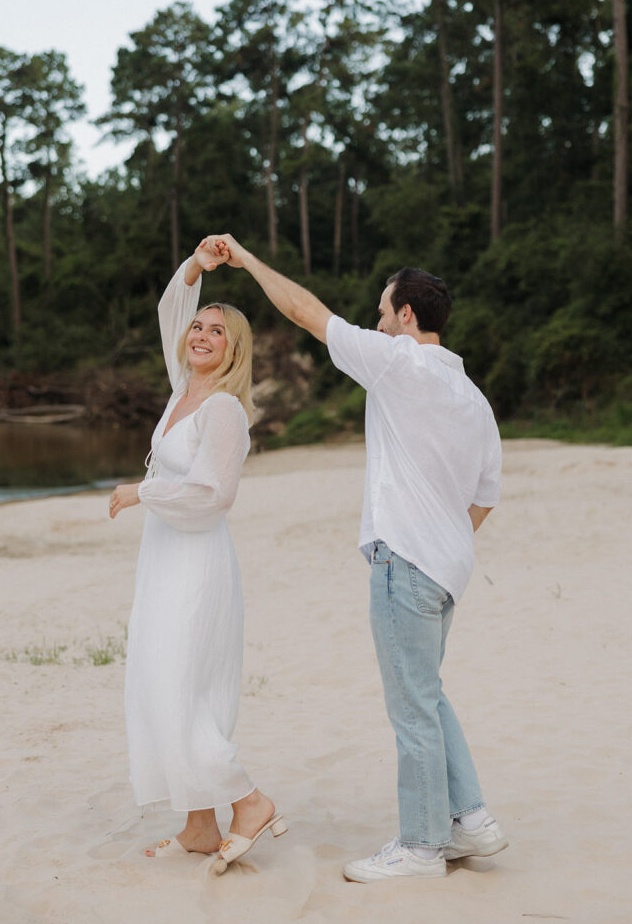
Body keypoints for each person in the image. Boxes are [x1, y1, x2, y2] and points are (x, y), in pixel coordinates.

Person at [203, 232, 507, 884]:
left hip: (406, 562)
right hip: (449, 564)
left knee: (410, 709)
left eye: (379, 310)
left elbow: (304, 313)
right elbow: (484, 499)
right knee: (428, 695)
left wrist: (249, 259)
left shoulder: (398, 363)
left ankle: (422, 847)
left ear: (405, 317)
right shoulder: (472, 397)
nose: (372, 320)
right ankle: (470, 820)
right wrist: (444, 538)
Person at [109, 240, 286, 872]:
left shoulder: (223, 410)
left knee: (180, 689)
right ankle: (198, 828)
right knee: (164, 683)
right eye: (199, 327)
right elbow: (169, 310)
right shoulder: (182, 389)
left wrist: (140, 491)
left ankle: (249, 801)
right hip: (162, 560)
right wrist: (194, 264)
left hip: (196, 564)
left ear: (235, 350)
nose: (203, 335)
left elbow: (213, 496)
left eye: (219, 332)